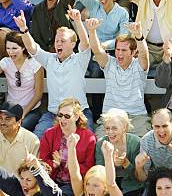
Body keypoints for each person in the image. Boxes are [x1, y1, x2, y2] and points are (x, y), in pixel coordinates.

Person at [14, 8, 94, 138]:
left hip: (79, 113)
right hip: (53, 114)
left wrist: (78, 21)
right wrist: (24, 29)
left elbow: (85, 43)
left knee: (89, 140)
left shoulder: (80, 60)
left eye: (63, 41)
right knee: (37, 140)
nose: (58, 44)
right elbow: (31, 47)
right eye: (57, 41)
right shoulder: (49, 59)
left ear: (73, 44)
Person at [86, 19, 151, 137]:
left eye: (124, 50)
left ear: (133, 52)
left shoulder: (139, 65)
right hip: (111, 116)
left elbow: (143, 54)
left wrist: (139, 36)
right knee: (100, 145)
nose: (120, 54)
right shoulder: (109, 63)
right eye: (118, 49)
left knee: (145, 146)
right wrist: (92, 31)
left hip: (136, 117)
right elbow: (96, 49)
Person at [39, 98, 96, 196]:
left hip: (76, 183)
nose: (62, 119)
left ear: (76, 117)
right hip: (53, 181)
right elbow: (43, 162)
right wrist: (54, 164)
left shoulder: (89, 137)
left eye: (67, 116)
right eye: (60, 115)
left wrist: (71, 164)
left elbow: (89, 168)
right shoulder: (49, 134)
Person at [95, 108, 143, 196]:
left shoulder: (135, 142)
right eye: (107, 128)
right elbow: (99, 173)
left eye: (114, 128)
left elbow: (138, 176)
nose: (110, 132)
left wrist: (126, 164)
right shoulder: (101, 143)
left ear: (124, 128)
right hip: (108, 184)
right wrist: (109, 161)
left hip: (131, 185)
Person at [0, 32, 43, 131]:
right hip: (10, 110)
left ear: (23, 48)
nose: (11, 52)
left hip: (31, 111)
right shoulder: (5, 62)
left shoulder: (34, 64)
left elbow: (38, 94)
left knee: (17, 128)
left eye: (14, 48)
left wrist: (23, 114)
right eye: (8, 48)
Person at [0, 101, 39, 175]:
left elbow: (34, 172)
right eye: (0, 118)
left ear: (19, 122)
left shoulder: (32, 140)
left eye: (7, 119)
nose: (2, 122)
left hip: (21, 184)